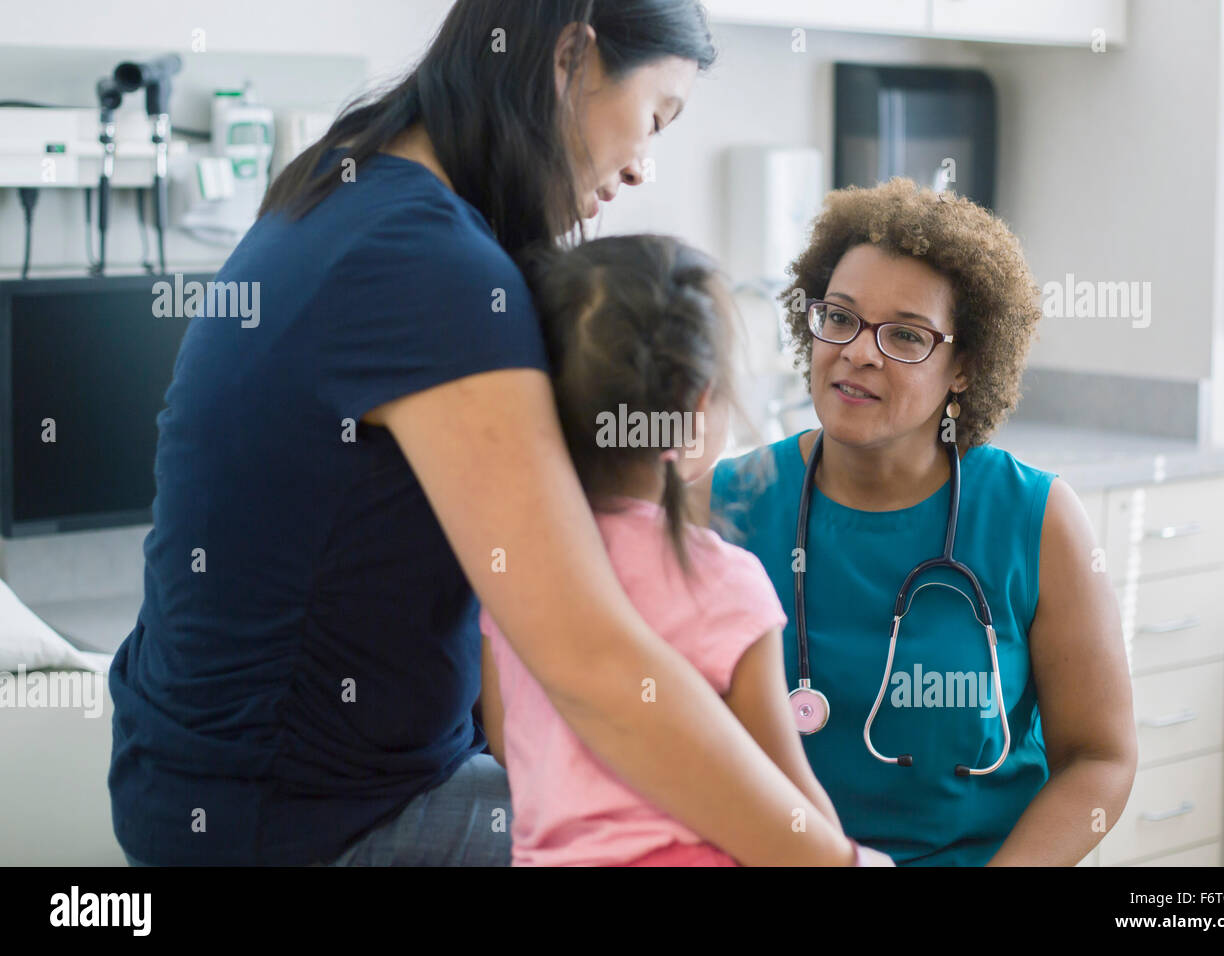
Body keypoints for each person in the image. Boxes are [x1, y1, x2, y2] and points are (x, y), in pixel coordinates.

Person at [108, 0, 860, 867]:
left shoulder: (347, 185)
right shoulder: (432, 269)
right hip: (299, 828)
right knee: (684, 838)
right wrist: (833, 864)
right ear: (570, 56)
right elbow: (591, 666)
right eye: (655, 117)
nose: (646, 165)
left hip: (206, 783)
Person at [695, 178, 1139, 866]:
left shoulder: (1037, 520)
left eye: (905, 335)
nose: (859, 351)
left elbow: (1100, 760)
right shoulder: (722, 506)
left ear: (964, 366)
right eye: (838, 318)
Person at [477, 235, 894, 867]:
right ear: (698, 404)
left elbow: (511, 742)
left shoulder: (513, 567)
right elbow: (790, 804)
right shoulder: (725, 581)